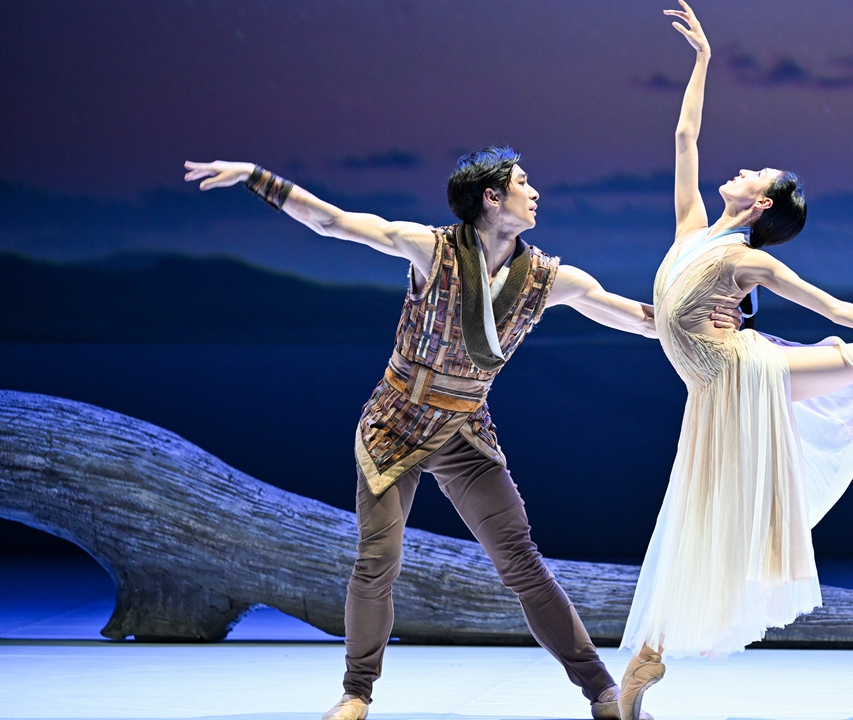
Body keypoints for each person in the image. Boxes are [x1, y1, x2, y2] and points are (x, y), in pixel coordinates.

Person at [184, 148, 740, 720]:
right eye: (524, 183)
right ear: (491, 198)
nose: (536, 193)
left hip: (465, 426)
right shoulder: (432, 250)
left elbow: (627, 315)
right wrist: (257, 177)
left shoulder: (548, 278)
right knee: (378, 558)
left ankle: (602, 692)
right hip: (396, 420)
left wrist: (696, 322)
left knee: (522, 561)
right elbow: (334, 222)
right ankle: (356, 693)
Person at [616, 4, 853, 719]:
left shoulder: (744, 260)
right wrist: (703, 60)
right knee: (695, 522)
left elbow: (835, 309)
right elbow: (684, 135)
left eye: (751, 172)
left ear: (760, 201)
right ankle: (649, 656)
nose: (736, 169)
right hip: (712, 392)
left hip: (744, 374)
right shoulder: (693, 229)